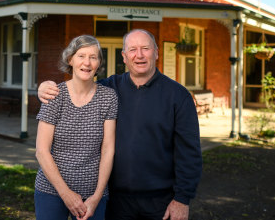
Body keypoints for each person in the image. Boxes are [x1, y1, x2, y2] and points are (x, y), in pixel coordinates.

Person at [39, 29, 202, 220]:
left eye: (145, 48)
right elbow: (80, 87)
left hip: (160, 200)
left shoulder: (178, 95)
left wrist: (182, 199)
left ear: (156, 52)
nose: (139, 55)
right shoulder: (109, 89)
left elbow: (189, 152)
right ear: (124, 57)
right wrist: (44, 88)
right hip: (117, 201)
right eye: (132, 49)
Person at [34, 35, 118, 220]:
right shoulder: (54, 94)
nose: (87, 62)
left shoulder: (108, 98)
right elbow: (41, 151)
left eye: (93, 57)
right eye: (81, 56)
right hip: (52, 191)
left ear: (98, 64)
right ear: (70, 59)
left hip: (94, 194)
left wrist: (97, 196)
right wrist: (66, 194)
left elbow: (107, 150)